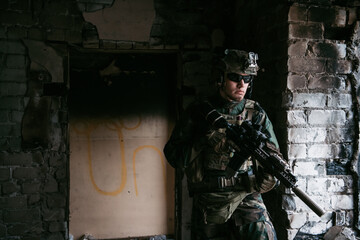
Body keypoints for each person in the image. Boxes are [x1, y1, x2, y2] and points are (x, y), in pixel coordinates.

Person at [164, 49, 280, 240]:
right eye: (235, 77)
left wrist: (270, 176)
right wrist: (203, 140)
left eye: (248, 78)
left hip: (246, 194)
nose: (242, 84)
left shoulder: (256, 113)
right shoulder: (199, 112)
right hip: (210, 199)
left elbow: (273, 154)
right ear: (220, 78)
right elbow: (174, 156)